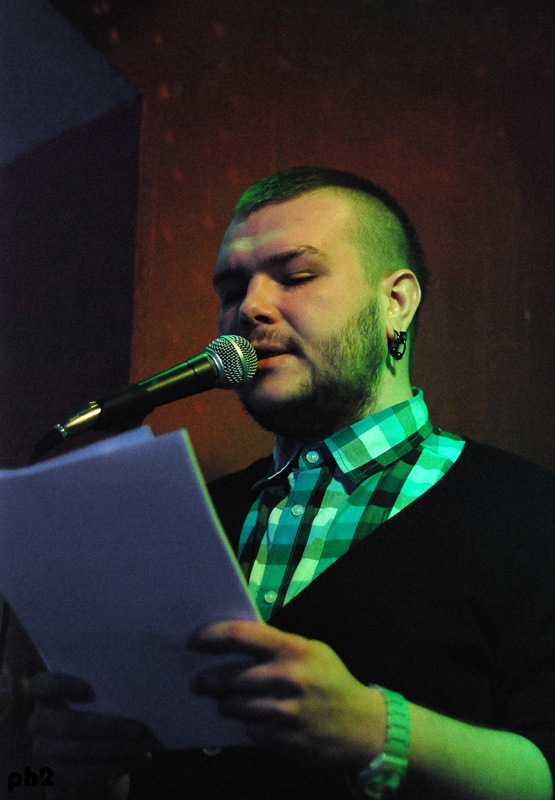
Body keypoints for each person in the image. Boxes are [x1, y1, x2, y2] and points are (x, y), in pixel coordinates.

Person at [4, 167, 554, 800]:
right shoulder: (191, 514)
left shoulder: (530, 512)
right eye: (232, 288)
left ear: (397, 302)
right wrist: (89, 774)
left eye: (296, 276)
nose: (249, 308)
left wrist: (377, 729)